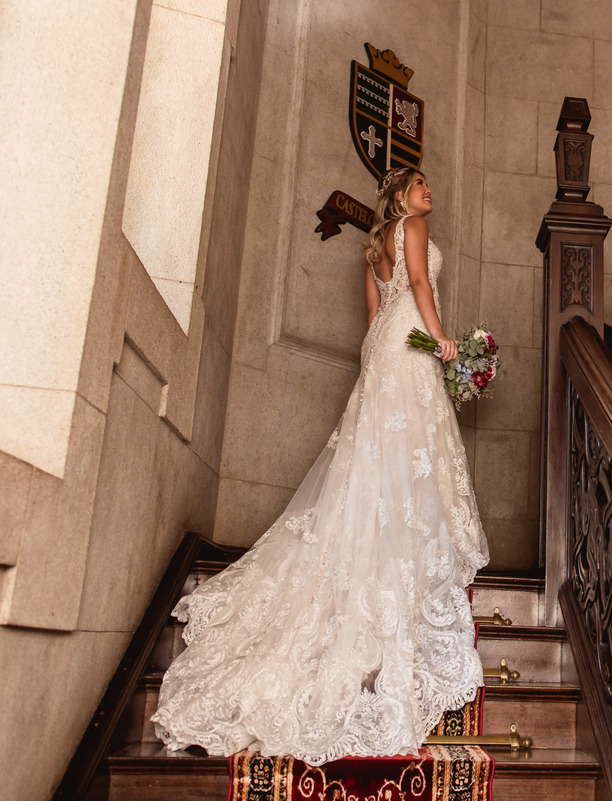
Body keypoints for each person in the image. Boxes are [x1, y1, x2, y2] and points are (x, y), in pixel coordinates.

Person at [151, 167, 489, 765]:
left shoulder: (373, 249)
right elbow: (419, 282)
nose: (428, 191)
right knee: (411, 448)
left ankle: (380, 539)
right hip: (411, 341)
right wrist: (442, 342)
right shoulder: (413, 227)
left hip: (384, 348)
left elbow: (373, 318)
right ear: (401, 197)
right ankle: (406, 546)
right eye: (419, 184)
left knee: (377, 454)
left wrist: (389, 355)